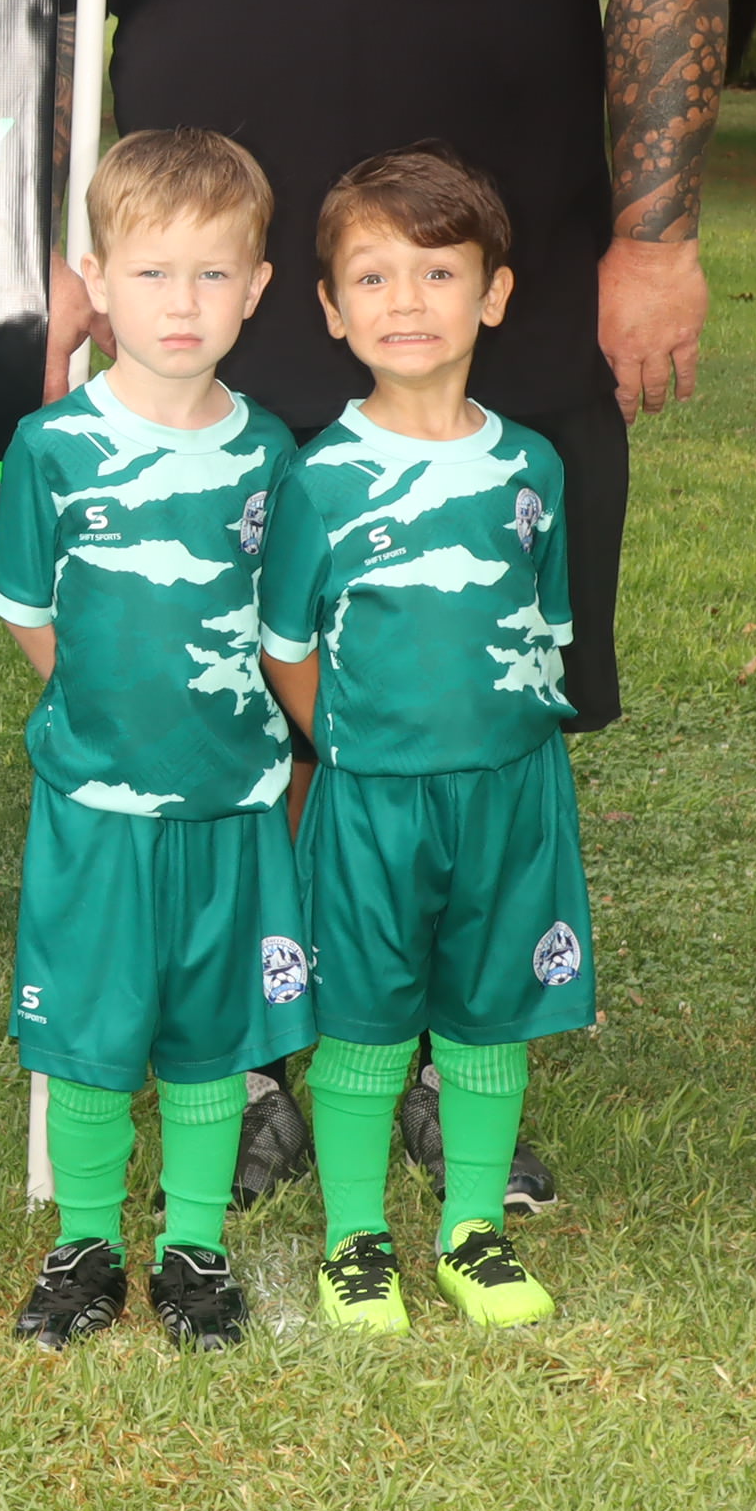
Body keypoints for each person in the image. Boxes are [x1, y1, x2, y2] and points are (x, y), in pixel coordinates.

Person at [51, 0, 710, 1218]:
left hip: (483, 332)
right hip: (211, 333)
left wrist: (656, 235)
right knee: (233, 709)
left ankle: (432, 1053)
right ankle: (263, 1065)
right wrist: (63, 251)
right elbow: (37, 12)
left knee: (455, 704)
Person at [0, 130, 313, 1353]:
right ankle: (84, 1246)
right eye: (154, 272)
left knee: (207, 1038)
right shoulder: (53, 447)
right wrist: (102, 709)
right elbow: (27, 608)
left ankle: (194, 1246)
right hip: (95, 810)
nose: (184, 303)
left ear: (257, 287)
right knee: (88, 1037)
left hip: (230, 805)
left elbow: (282, 627)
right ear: (97, 281)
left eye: (213, 273)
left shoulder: (270, 454)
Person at [258, 149, 586, 1336]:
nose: (407, 300)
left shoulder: (532, 467)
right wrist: (345, 743)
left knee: (490, 1016)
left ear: (494, 295)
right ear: (332, 309)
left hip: (507, 796)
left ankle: (471, 1230)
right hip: (370, 801)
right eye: (374, 276)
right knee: (361, 1018)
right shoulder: (319, 478)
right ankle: (356, 1238)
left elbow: (543, 631)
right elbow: (284, 643)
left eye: (439, 272)